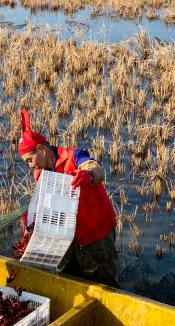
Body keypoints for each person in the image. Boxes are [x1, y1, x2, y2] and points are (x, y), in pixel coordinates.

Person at [16, 109, 118, 287]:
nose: (30, 166)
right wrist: (32, 221)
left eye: (29, 160)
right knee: (69, 277)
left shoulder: (73, 156)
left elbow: (95, 167)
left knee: (103, 280)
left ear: (41, 149)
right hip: (67, 235)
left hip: (95, 231)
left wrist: (88, 175)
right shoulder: (40, 174)